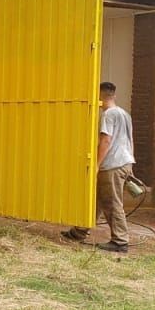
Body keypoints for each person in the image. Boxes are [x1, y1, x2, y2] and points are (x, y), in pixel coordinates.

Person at [62, 82, 135, 253]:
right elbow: (130, 139)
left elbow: (106, 140)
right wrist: (131, 162)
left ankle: (120, 241)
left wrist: (96, 165)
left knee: (111, 203)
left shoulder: (108, 115)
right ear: (114, 95)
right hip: (124, 162)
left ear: (100, 96)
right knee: (96, 199)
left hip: (112, 165)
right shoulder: (125, 114)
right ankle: (80, 230)